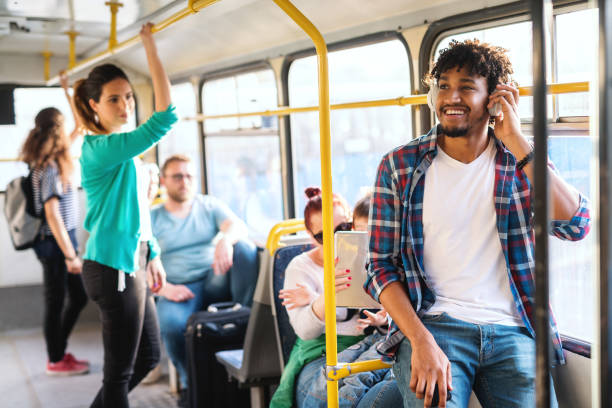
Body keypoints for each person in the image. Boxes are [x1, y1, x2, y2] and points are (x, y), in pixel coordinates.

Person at [365, 39, 591, 408]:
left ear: (495, 99)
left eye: (466, 87)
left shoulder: (519, 162)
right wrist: (419, 341)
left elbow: (576, 224)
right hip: (434, 326)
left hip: (513, 330)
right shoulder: (400, 166)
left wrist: (517, 139)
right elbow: (379, 266)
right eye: (443, 86)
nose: (451, 97)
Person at [74, 23, 177, 408]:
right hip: (111, 266)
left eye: (129, 97)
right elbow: (165, 116)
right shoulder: (102, 147)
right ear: (94, 106)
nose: (126, 106)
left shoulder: (123, 152)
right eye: (114, 99)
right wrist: (149, 44)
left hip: (132, 262)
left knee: (147, 357)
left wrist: (153, 253)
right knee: (118, 372)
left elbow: (136, 211)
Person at [271, 188, 401, 408]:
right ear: (311, 235)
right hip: (321, 355)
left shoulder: (377, 258)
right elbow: (305, 331)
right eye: (323, 235)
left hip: (370, 344)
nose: (332, 240)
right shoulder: (300, 267)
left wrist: (382, 320)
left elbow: (388, 315)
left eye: (341, 229)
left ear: (352, 224)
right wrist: (324, 297)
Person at [150, 154, 258, 401]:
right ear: (164, 182)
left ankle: (245, 316)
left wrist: (224, 241)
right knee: (172, 324)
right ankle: (193, 383)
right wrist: (164, 289)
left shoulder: (208, 205)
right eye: (177, 176)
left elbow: (238, 226)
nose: (184, 181)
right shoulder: (153, 218)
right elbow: (140, 263)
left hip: (213, 278)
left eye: (189, 176)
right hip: (178, 288)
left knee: (245, 249)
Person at [20, 72, 88, 376]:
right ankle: (56, 358)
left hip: (61, 240)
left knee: (74, 297)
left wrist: (67, 90)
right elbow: (53, 215)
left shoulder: (53, 157)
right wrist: (71, 254)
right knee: (59, 299)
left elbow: (81, 126)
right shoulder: (49, 168)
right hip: (56, 242)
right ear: (57, 130)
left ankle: (58, 352)